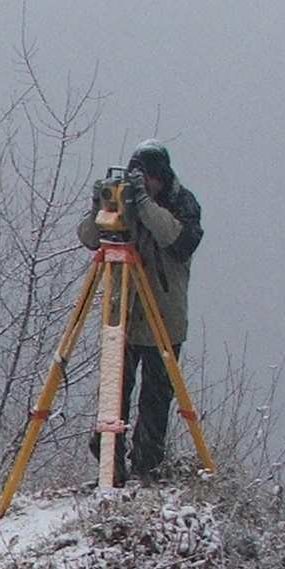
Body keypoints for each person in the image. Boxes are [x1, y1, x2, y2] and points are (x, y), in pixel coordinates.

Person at [76, 141, 204, 482]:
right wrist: (98, 208)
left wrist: (145, 204)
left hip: (165, 320)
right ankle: (110, 465)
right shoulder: (126, 202)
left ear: (160, 176)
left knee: (155, 401)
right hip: (126, 319)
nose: (140, 184)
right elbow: (90, 238)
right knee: (114, 395)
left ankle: (148, 468)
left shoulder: (183, 203)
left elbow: (176, 241)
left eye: (145, 178)